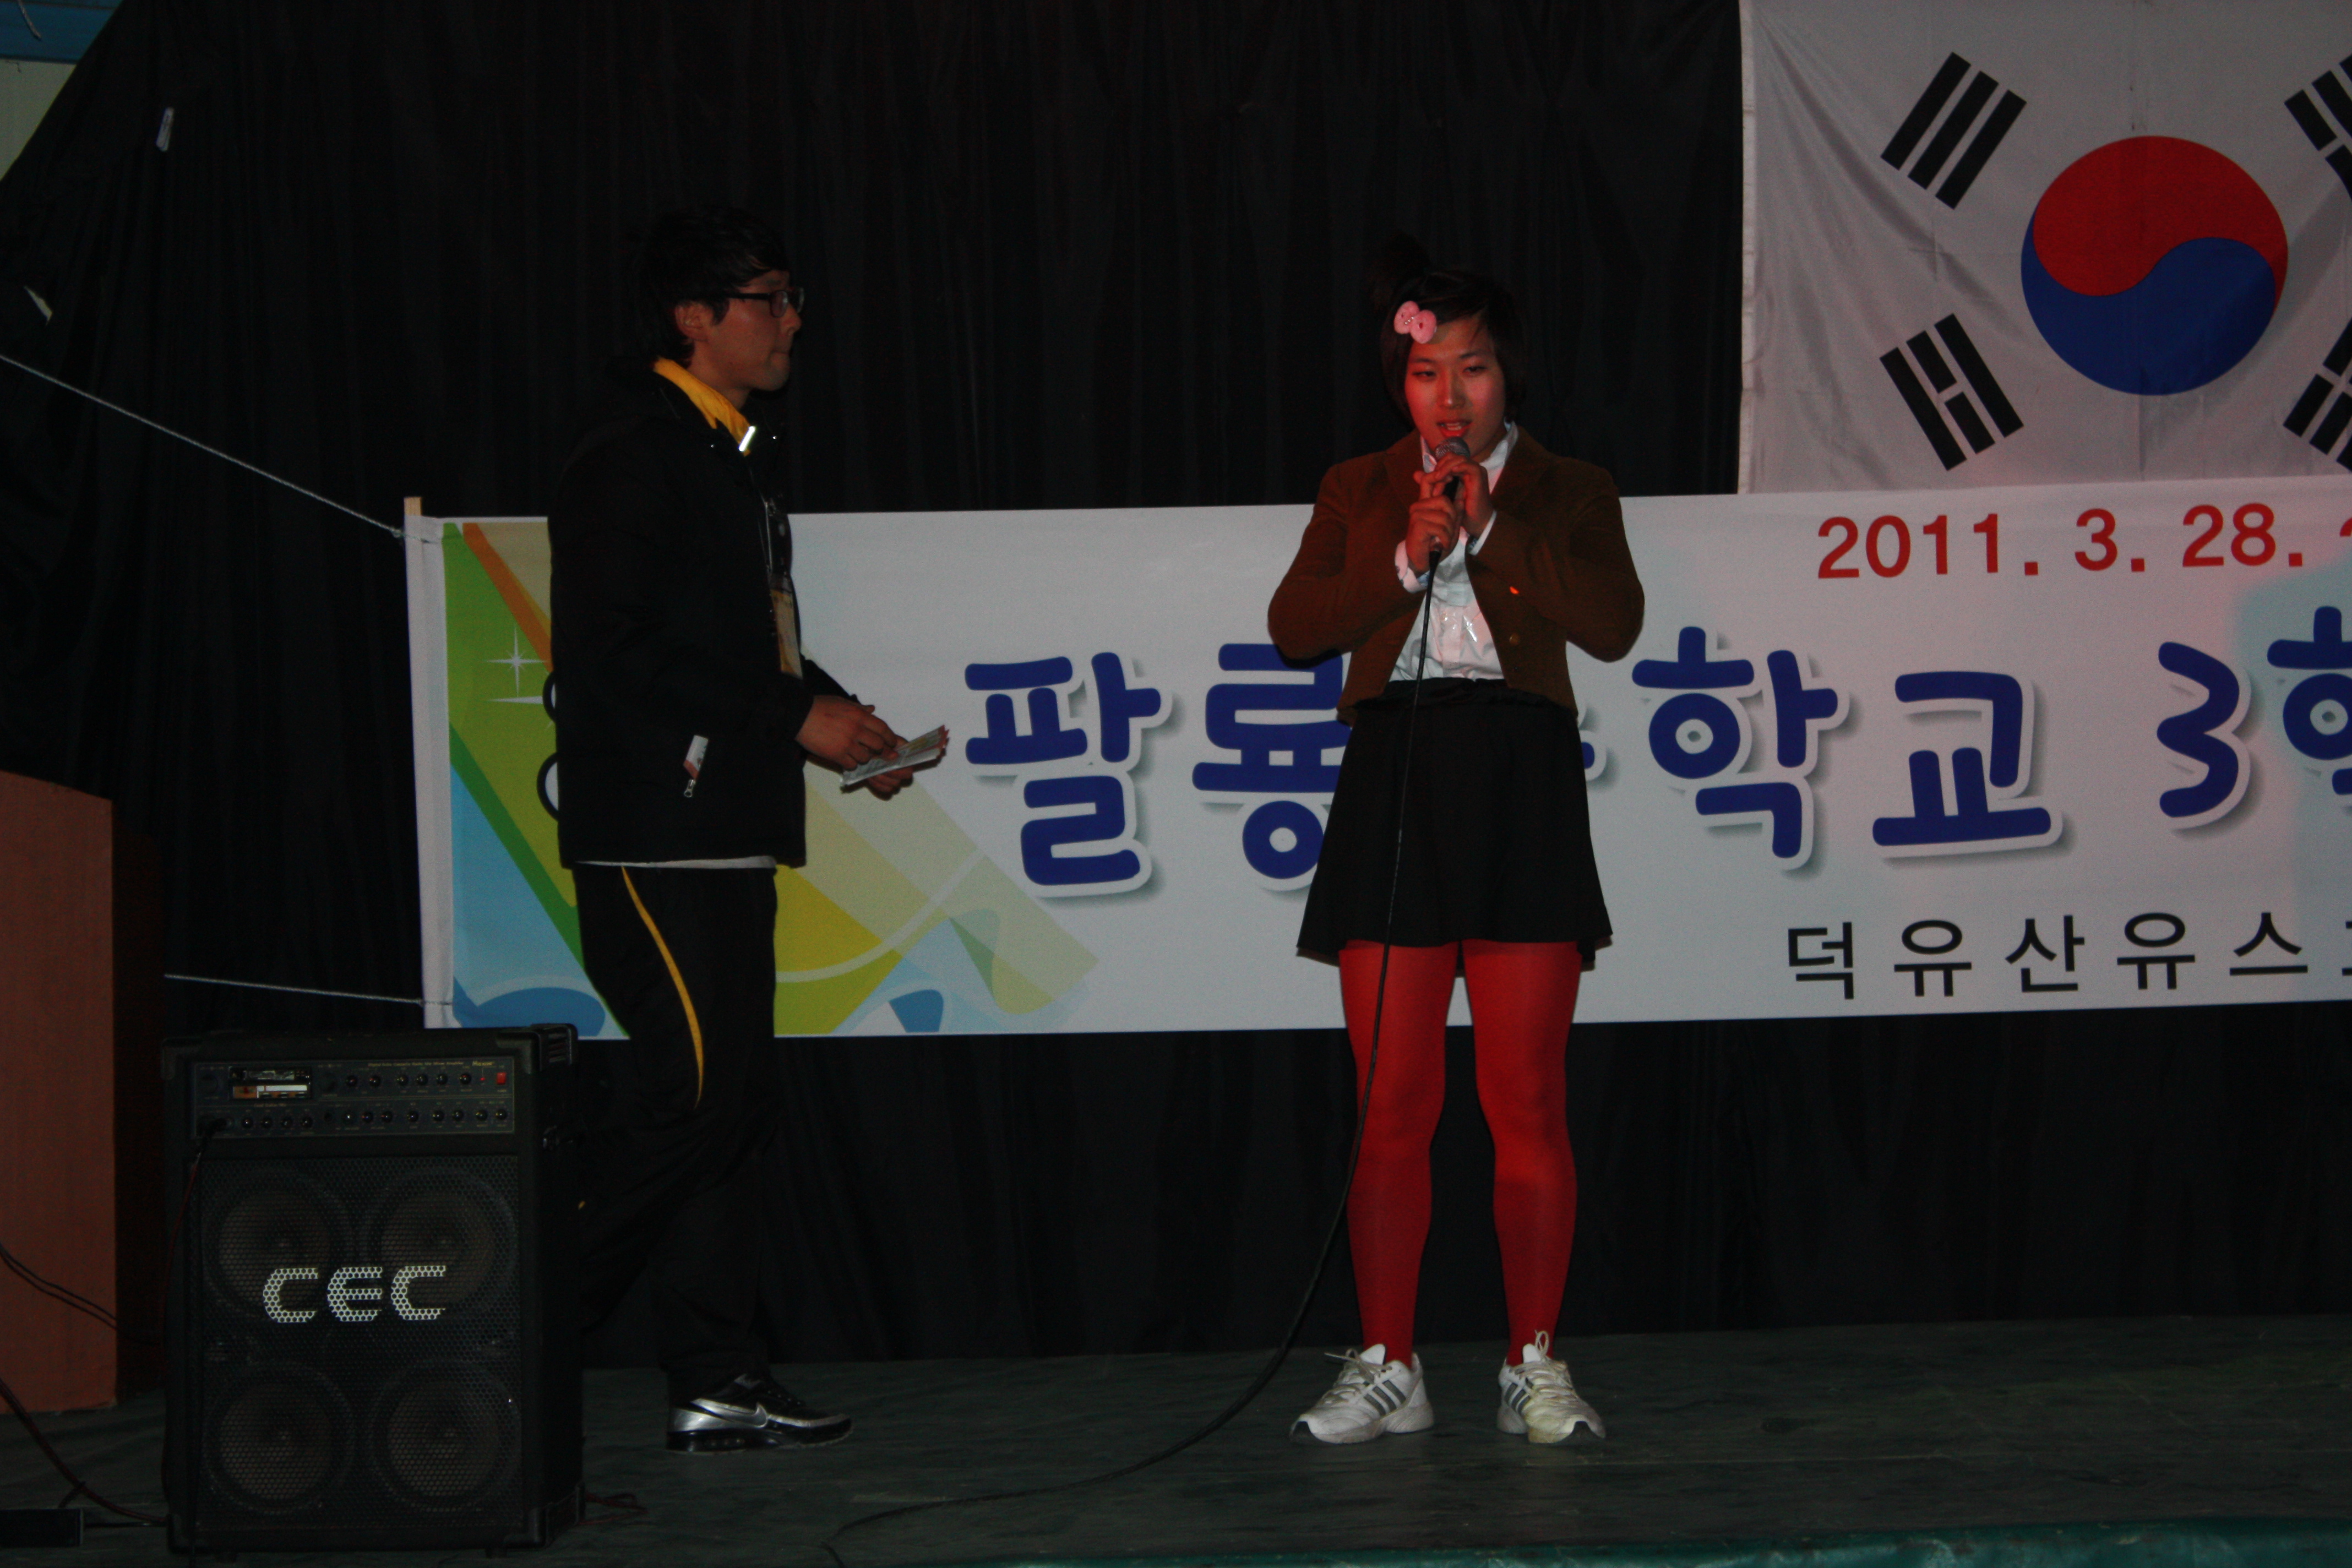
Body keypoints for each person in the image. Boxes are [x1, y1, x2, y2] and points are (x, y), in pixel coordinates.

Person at [549, 205, 921, 1452]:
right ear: (693, 318)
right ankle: (514, 1322)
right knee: (698, 1093)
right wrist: (790, 713)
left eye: (790, 296)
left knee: (734, 1101)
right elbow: (612, 652)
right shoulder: (632, 451)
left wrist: (836, 717)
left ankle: (715, 1374)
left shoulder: (731, 453)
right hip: (654, 835)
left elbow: (747, 641)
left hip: (728, 827)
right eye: (768, 298)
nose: (791, 320)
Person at [1267, 239, 1643, 1446]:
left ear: (1505, 374)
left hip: (1523, 777)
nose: (1449, 396)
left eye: (1472, 369)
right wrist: (1407, 554)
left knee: (1526, 1098)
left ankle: (1534, 1358)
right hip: (1398, 772)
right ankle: (1390, 1360)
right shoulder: (1359, 483)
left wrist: (1490, 533)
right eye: (1426, 373)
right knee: (1392, 1103)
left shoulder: (1569, 486)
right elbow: (1295, 628)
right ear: (1402, 383)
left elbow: (1614, 622)